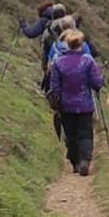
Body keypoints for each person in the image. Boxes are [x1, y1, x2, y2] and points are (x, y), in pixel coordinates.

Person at [43, 29, 104, 176]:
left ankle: (75, 162)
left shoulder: (58, 62)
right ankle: (85, 161)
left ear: (67, 45)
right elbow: (96, 83)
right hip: (84, 104)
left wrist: (56, 100)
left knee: (70, 135)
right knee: (85, 134)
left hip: (66, 105)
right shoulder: (88, 61)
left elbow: (54, 86)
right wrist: (100, 82)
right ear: (81, 44)